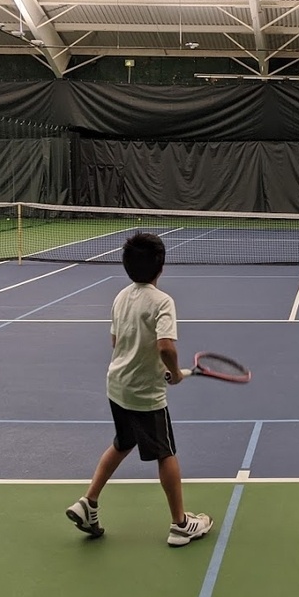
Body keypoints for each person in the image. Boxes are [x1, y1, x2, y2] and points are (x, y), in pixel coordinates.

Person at [66, 232, 214, 547]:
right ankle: (180, 524)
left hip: (117, 386)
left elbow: (116, 342)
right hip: (145, 395)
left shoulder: (121, 297)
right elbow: (165, 347)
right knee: (166, 452)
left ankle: (88, 502)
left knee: (123, 442)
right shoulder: (163, 302)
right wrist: (173, 372)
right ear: (161, 266)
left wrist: (151, 366)